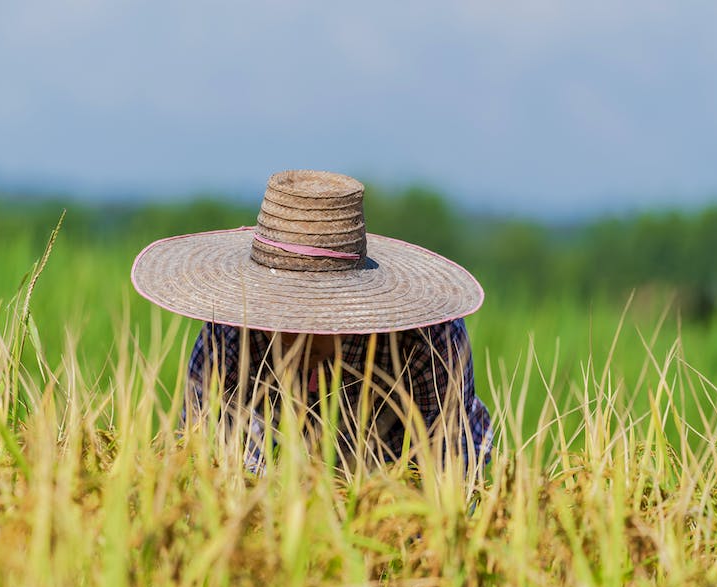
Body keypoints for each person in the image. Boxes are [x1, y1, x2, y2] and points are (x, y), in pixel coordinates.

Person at [132, 170, 490, 473]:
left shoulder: (427, 339)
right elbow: (197, 460)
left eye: (310, 319)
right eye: (278, 314)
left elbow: (449, 474)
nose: (292, 337)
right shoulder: (230, 330)